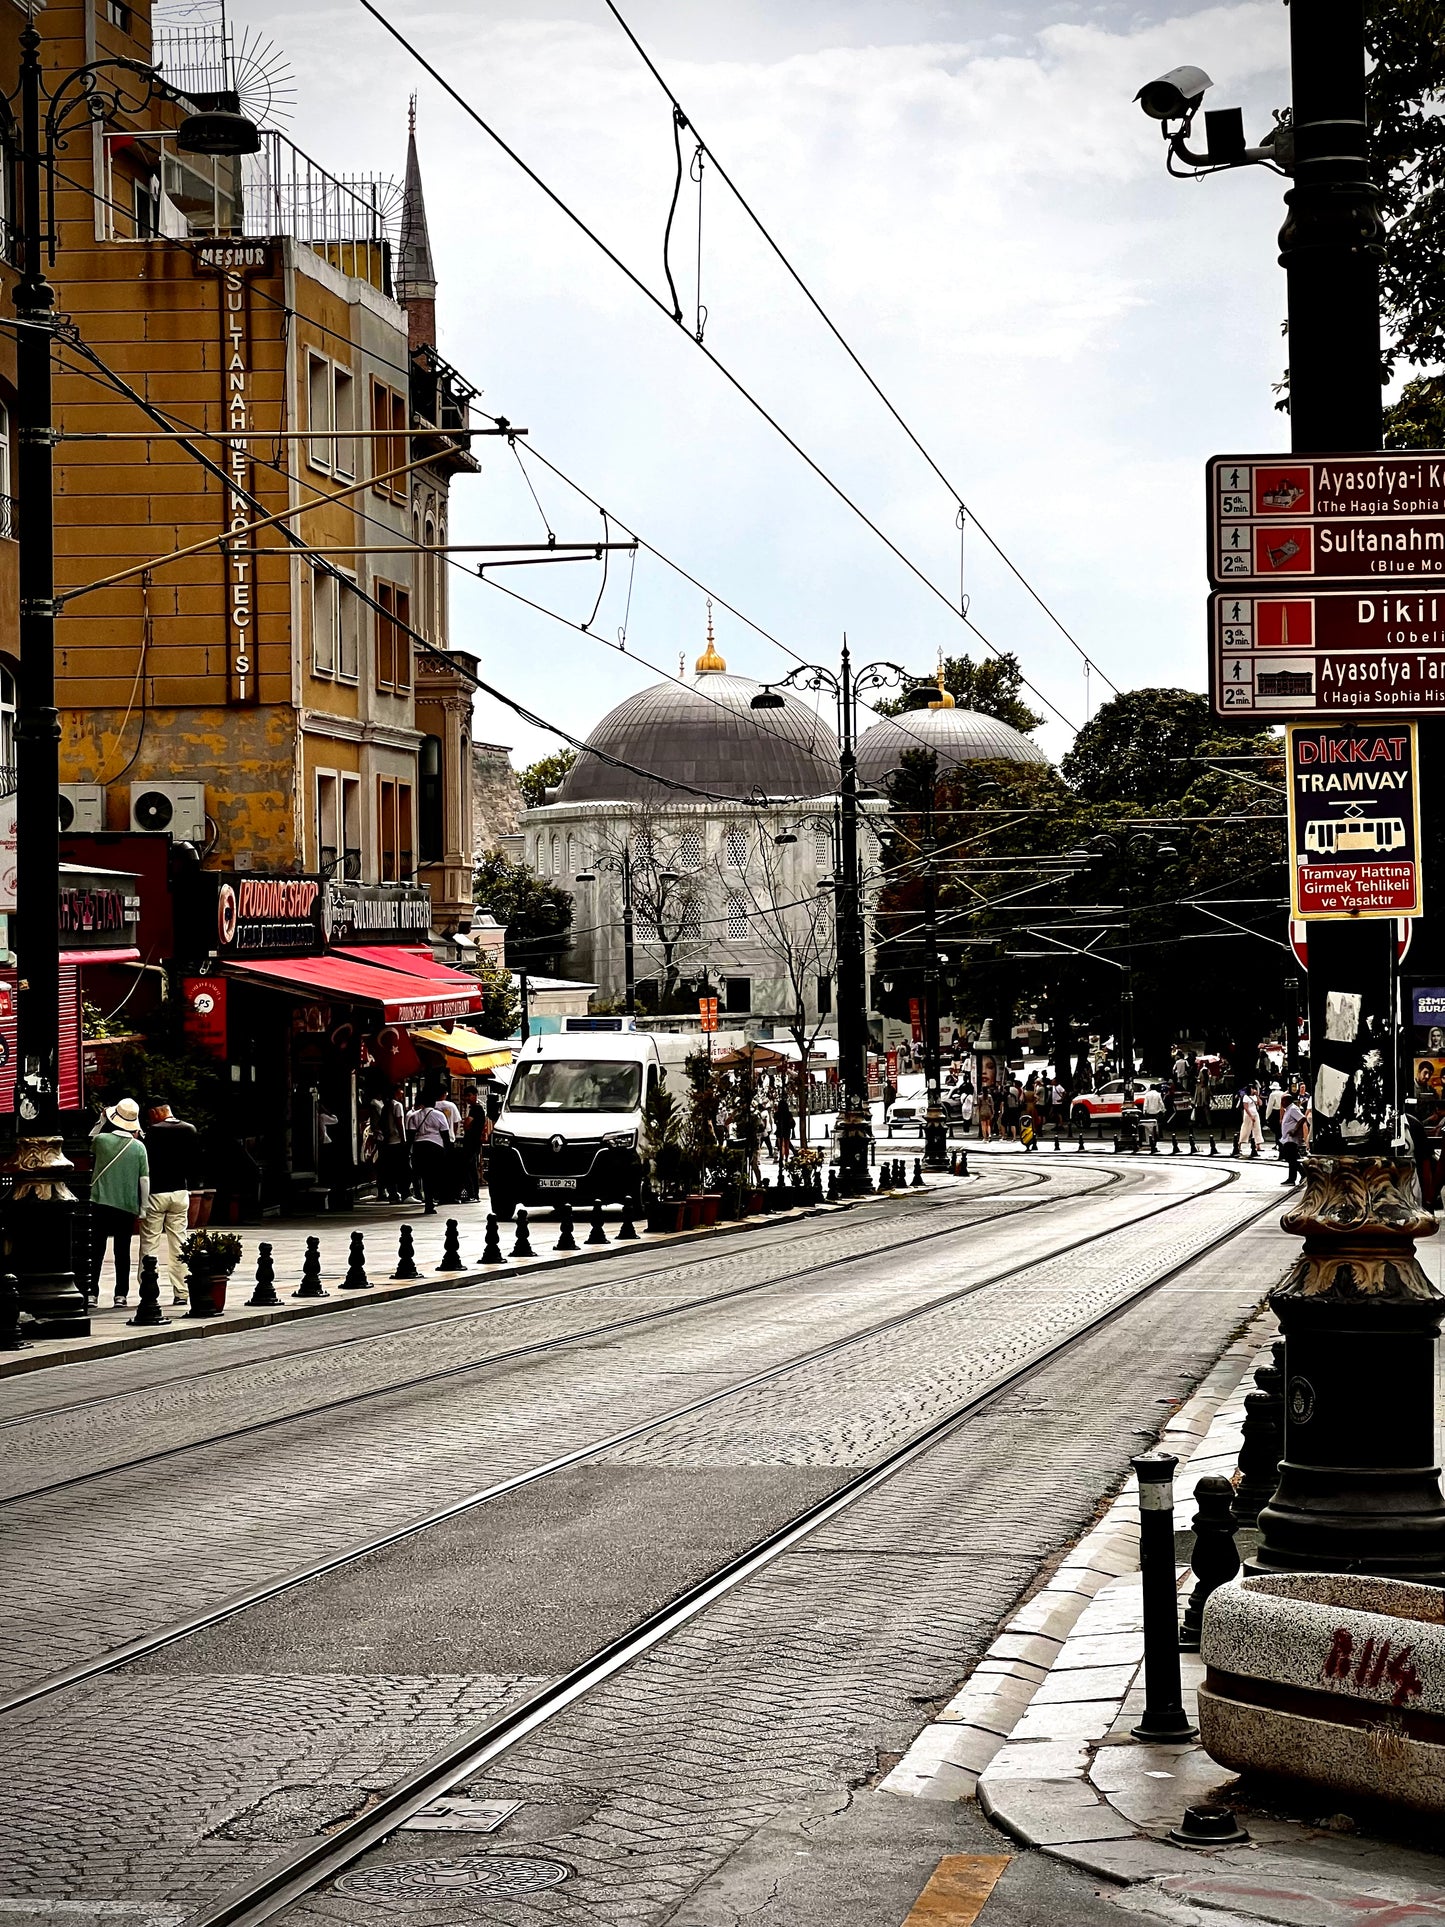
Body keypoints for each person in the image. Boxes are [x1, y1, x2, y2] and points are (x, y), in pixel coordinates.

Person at [90, 1099, 149, 1307]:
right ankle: (120, 1294)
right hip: (127, 1205)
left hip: (100, 1202)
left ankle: (92, 1293)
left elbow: (90, 1139)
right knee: (122, 1252)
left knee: (96, 1250)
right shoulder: (139, 1147)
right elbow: (144, 1180)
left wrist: (101, 1120)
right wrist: (143, 1209)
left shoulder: (102, 1141)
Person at [140, 1101, 198, 1308]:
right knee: (179, 1243)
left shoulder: (153, 1132)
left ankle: (148, 1289)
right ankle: (181, 1291)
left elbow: (145, 1164)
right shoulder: (190, 1130)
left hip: (156, 1192)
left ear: (156, 1112)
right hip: (180, 1192)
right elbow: (194, 1163)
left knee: (150, 1242)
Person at [406, 1095, 453, 1213]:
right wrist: (447, 1151)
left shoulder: (414, 1116)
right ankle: (431, 1201)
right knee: (434, 1175)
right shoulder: (439, 1115)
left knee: (424, 1176)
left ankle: (428, 1201)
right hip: (435, 1147)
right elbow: (445, 1135)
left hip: (419, 1148)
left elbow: (410, 1136)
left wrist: (408, 1152)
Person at [1279, 1091, 1308, 1188]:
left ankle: (1304, 1174)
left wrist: (1295, 1130)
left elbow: (1302, 1118)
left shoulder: (1293, 1109)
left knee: (1292, 1159)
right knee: (1290, 1159)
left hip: (1292, 1139)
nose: (1281, 1103)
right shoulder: (1288, 1109)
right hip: (1287, 1138)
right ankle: (1291, 1178)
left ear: (1288, 1101)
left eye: (1283, 1101)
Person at [1236, 1085, 1264, 1160]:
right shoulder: (1245, 1097)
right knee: (1246, 1129)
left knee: (1257, 1129)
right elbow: (1245, 1108)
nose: (1254, 1090)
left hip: (1255, 1114)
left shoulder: (1255, 1097)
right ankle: (1239, 1144)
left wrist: (1257, 1096)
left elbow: (1260, 1104)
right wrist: (1251, 1116)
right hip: (1248, 1115)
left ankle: (1258, 1145)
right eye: (1252, 1088)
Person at [1141, 1082, 1166, 1147]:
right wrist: (1163, 1110)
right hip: (1156, 1111)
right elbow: (1161, 1103)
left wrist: (1144, 1110)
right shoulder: (1158, 1094)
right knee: (1157, 1124)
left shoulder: (1147, 1094)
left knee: (1150, 1124)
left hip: (1149, 1112)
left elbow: (1145, 1103)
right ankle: (1157, 1135)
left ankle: (1150, 1135)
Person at [774, 1094, 795, 1164]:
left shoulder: (777, 1114)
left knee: (781, 1145)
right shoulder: (789, 1114)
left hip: (779, 1130)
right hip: (787, 1130)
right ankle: (786, 1157)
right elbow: (791, 1121)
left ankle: (781, 1157)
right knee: (787, 1144)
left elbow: (775, 1122)